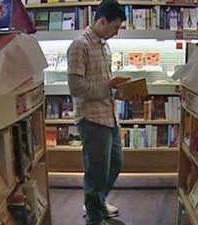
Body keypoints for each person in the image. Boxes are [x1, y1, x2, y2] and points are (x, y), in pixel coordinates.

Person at [66, 1, 128, 225]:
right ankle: (93, 218)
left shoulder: (104, 45)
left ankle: (98, 202)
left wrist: (119, 90)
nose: (116, 32)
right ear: (102, 21)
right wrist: (108, 87)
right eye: (115, 27)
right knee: (96, 172)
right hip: (91, 118)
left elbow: (102, 83)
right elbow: (76, 87)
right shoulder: (79, 46)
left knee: (116, 164)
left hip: (109, 116)